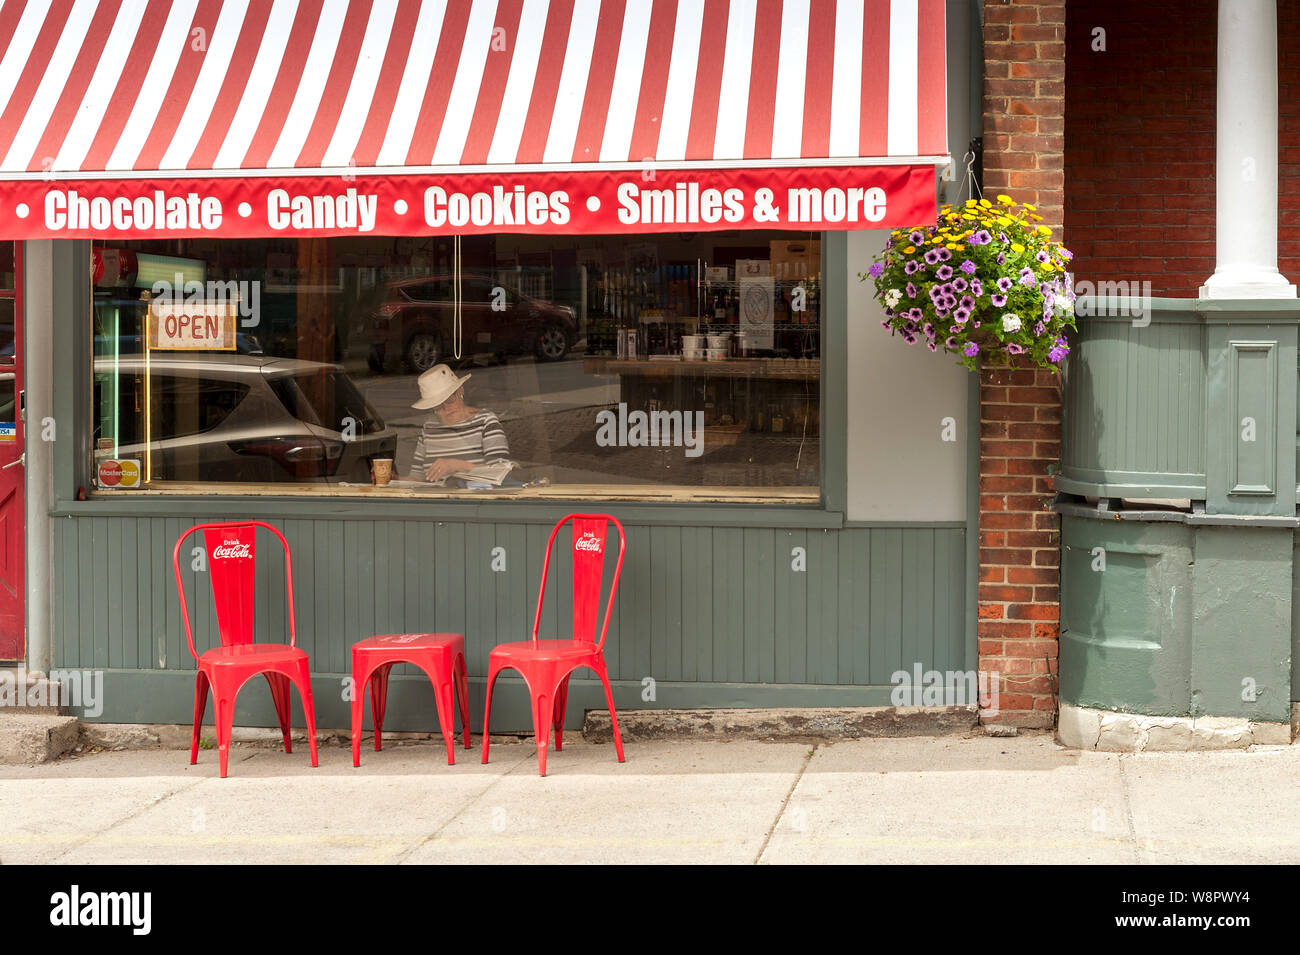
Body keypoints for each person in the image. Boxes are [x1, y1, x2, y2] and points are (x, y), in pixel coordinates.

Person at [409, 364, 511, 483]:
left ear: (461, 390)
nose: (446, 408)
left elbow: (500, 473)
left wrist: (456, 465)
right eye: (438, 405)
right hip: (437, 499)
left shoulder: (485, 421)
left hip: (476, 499)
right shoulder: (429, 428)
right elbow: (416, 479)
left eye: (449, 399)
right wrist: (392, 479)